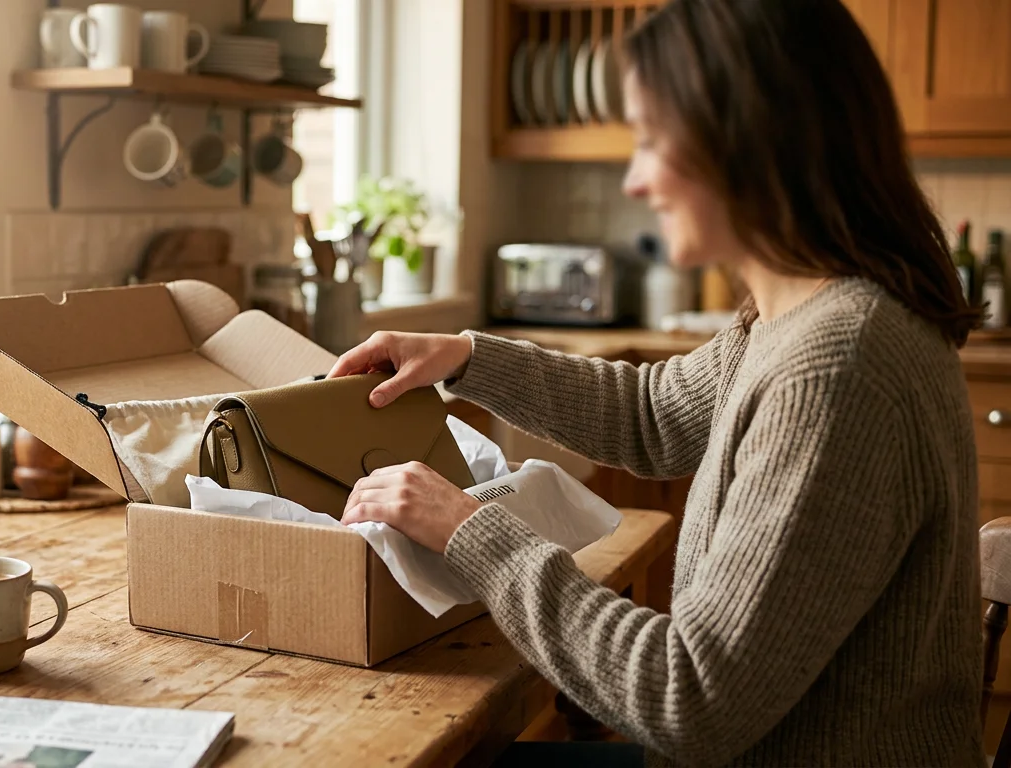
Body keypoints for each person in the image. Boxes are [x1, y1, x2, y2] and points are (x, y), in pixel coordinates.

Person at [329, 0, 984, 764]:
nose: (635, 181)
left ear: (745, 141)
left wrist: (469, 532)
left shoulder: (838, 366)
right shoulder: (795, 315)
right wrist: (468, 357)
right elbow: (654, 416)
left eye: (651, 141)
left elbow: (689, 697)